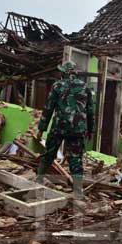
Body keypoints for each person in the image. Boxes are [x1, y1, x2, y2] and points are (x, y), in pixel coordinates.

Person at [36, 61, 95, 209]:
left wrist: (41, 129)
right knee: (75, 159)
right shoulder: (85, 87)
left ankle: (38, 182)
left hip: (59, 126)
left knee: (49, 154)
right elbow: (90, 111)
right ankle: (78, 192)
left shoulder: (57, 86)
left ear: (63, 73)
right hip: (78, 129)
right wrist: (90, 130)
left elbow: (48, 108)